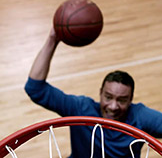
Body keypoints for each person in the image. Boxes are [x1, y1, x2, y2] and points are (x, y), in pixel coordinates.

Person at [25, 28, 162, 158]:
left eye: (121, 100)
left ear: (131, 100)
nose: (113, 106)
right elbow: (35, 88)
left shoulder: (140, 117)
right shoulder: (81, 109)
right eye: (108, 97)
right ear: (100, 93)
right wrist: (52, 39)